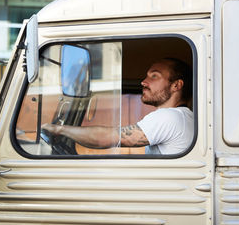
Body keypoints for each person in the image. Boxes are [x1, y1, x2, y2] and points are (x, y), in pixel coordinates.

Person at [42, 58, 193, 155]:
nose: (143, 82)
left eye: (154, 76)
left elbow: (106, 138)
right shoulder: (184, 117)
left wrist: (59, 129)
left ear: (176, 85)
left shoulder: (170, 117)